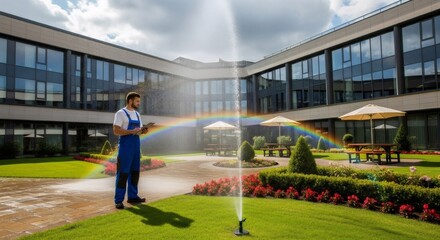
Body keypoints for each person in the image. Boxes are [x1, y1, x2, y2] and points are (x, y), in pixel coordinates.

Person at [112, 92, 148, 209]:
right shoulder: (120, 113)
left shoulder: (137, 114)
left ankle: (132, 196)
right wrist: (131, 131)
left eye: (139, 101)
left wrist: (143, 131)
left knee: (135, 173)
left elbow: (138, 131)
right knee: (122, 174)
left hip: (136, 147)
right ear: (130, 101)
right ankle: (118, 200)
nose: (139, 103)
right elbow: (116, 130)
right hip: (125, 148)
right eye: (137, 101)